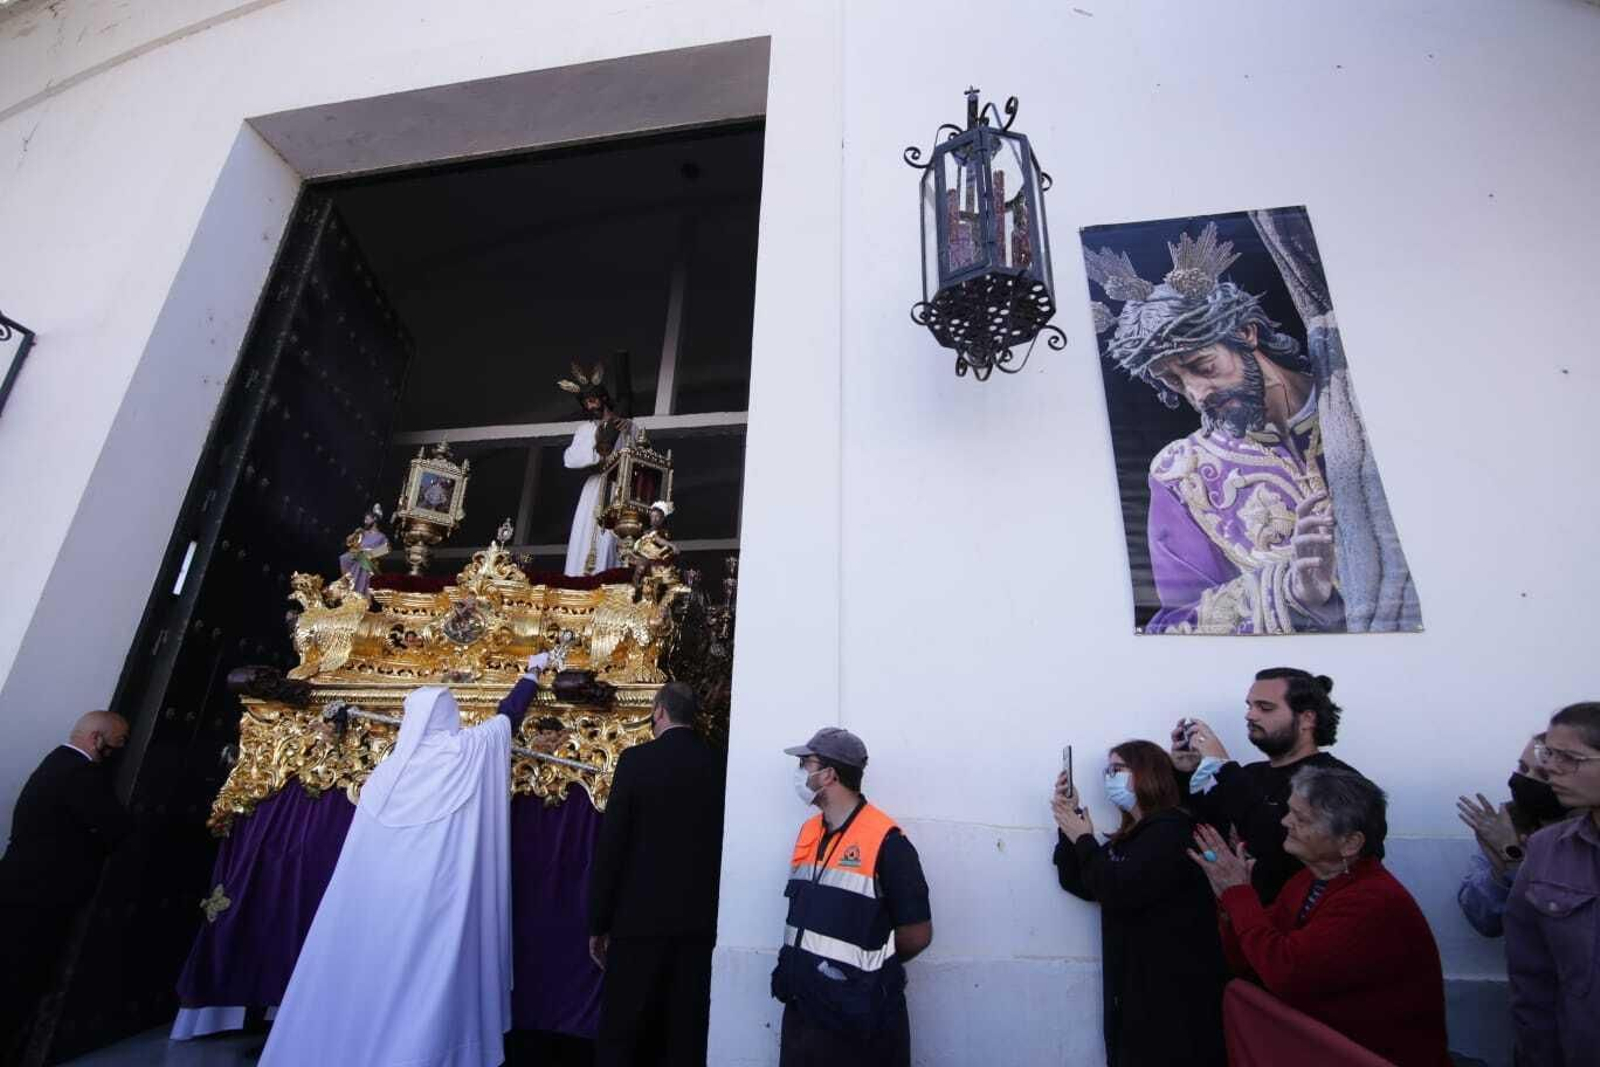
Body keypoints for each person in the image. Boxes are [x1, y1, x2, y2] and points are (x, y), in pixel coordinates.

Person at [1083, 215, 1420, 633]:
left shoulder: (1358, 398)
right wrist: (1291, 591)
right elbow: (1175, 622)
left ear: (1246, 333)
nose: (1197, 394)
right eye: (1174, 381)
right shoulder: (1182, 474)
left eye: (1203, 366)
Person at [258, 658, 545, 1067]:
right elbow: (507, 717)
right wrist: (532, 672)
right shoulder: (463, 751)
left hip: (376, 910)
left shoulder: (386, 774)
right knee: (426, 977)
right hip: (434, 901)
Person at [1190, 765, 1451, 1067]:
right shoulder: (1308, 881)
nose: (1285, 822)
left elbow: (1285, 973)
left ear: (1350, 843)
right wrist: (1229, 904)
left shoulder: (1373, 901)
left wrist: (1238, 894)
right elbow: (1251, 961)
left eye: (1301, 819)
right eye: (1290, 811)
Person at [1051, 741, 1226, 1067]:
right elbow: (1082, 881)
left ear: (1148, 774)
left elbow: (1118, 888)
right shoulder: (1132, 837)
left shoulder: (1172, 831)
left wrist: (1084, 839)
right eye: (1107, 771)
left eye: (1117, 769)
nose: (1109, 778)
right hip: (1133, 993)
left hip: (1174, 998)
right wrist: (1070, 826)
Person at [771, 728, 932, 1067]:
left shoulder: (888, 843)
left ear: (828, 775)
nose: (799, 772)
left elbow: (917, 935)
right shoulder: (809, 833)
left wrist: (863, 973)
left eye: (805, 763)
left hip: (859, 1020)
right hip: (804, 1014)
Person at [586, 681, 726, 1067]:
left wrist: (598, 922)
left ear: (659, 711)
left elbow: (613, 844)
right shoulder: (717, 763)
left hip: (638, 920)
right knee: (684, 1027)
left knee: (625, 1029)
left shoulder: (636, 761)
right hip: (698, 920)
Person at [0, 712, 131, 1060]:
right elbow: (115, 826)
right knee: (21, 979)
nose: (120, 750)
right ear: (96, 739)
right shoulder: (79, 773)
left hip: (22, 887)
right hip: (41, 896)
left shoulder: (57, 762)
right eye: (118, 743)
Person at [1172, 667, 1357, 903]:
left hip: (1293, 918)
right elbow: (1203, 827)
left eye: (1265, 708)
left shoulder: (1339, 782)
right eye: (1249, 706)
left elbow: (1289, 852)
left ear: (1307, 719)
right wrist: (1186, 773)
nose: (1250, 715)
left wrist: (1224, 768)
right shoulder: (1250, 773)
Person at [1505, 702, 1600, 1066]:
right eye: (1550, 754)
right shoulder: (1546, 850)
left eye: (1570, 758)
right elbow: (1531, 977)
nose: (1550, 768)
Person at [1455, 732, 1571, 937]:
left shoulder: (1587, 834)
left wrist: (1516, 864)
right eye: (1523, 768)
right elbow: (1484, 922)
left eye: (1544, 775)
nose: (1527, 779)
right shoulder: (1508, 824)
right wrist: (1500, 873)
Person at [557, 357, 636, 576]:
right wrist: (596, 441)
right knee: (585, 534)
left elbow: (639, 452)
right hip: (594, 488)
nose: (590, 406)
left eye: (593, 401)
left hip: (618, 488)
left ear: (603, 398)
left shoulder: (625, 425)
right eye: (586, 404)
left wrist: (629, 430)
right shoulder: (585, 429)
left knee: (611, 540)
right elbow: (569, 459)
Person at [338, 503, 390, 595]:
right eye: (365, 520)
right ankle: (347, 585)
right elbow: (348, 542)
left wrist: (371, 553)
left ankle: (360, 592)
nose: (365, 522)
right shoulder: (363, 533)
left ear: (374, 519)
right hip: (357, 555)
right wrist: (355, 533)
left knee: (362, 560)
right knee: (344, 558)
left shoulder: (381, 536)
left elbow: (387, 549)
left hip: (369, 560)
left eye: (367, 519)